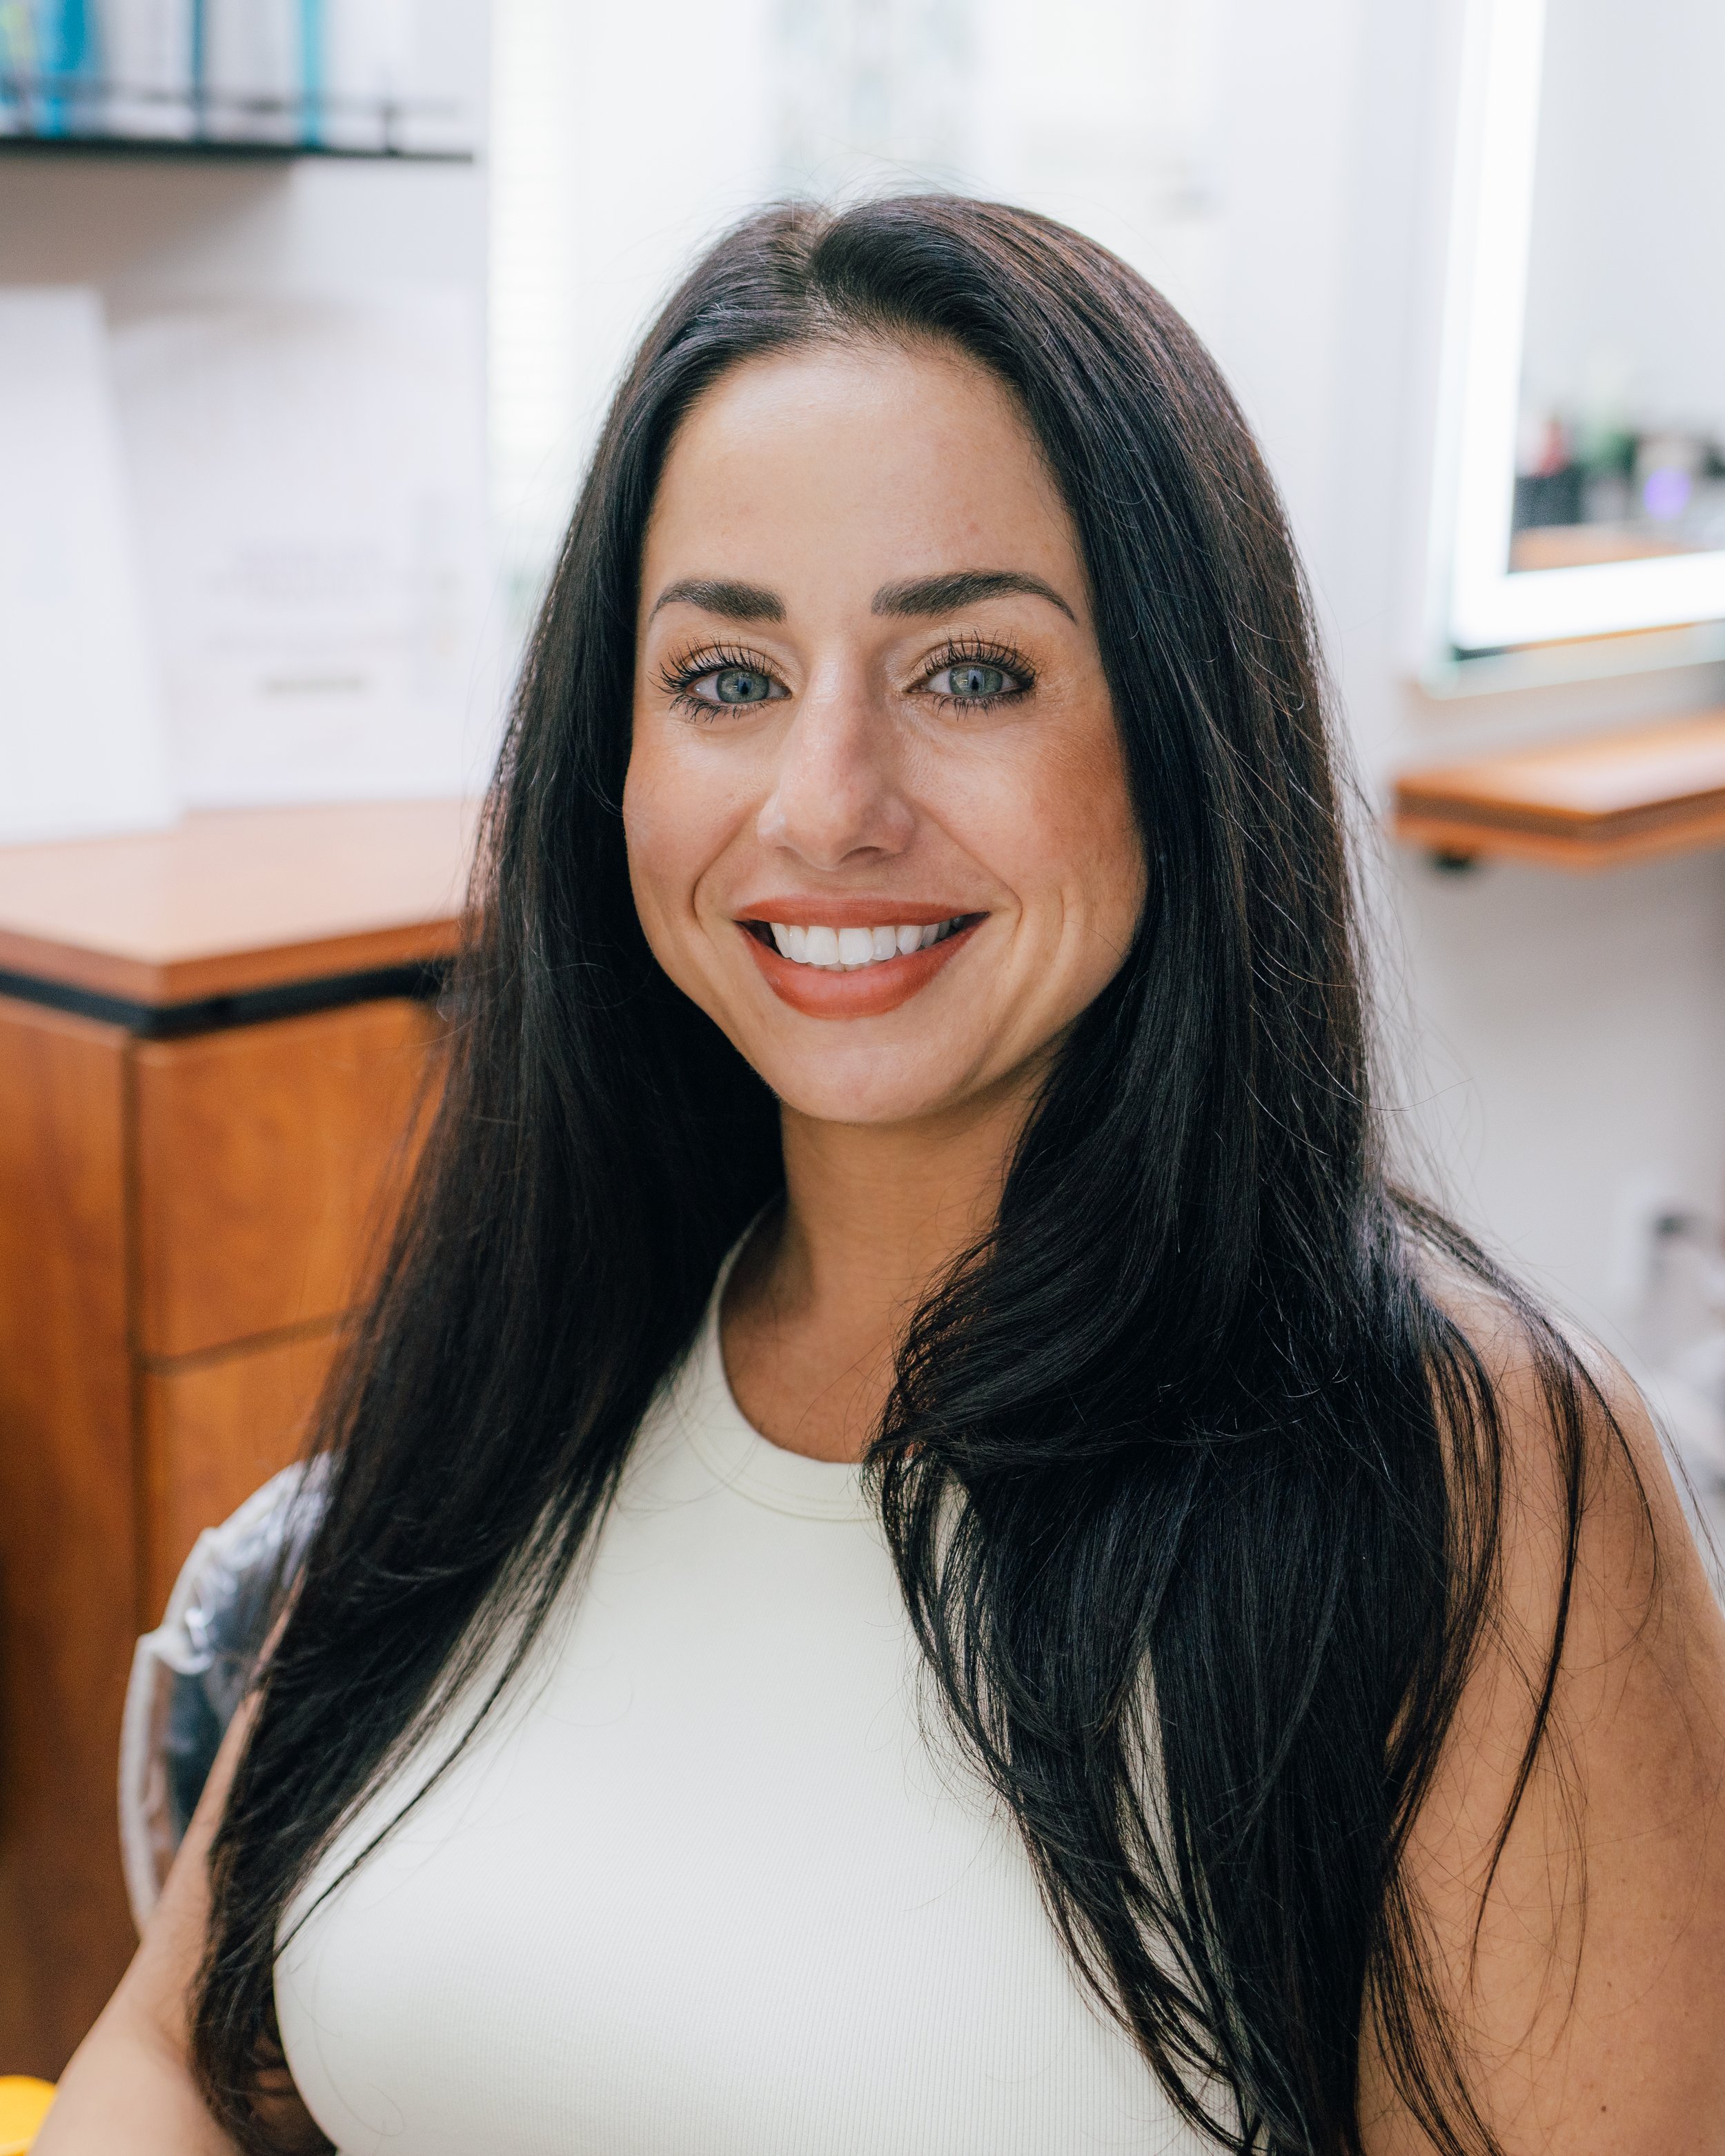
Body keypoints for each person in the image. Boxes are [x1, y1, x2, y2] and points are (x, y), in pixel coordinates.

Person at [38, 197, 1725, 2156]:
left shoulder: (1464, 1474)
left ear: (1184, 731)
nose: (825, 805)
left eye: (972, 673)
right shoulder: (546, 1335)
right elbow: (178, 2059)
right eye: (726, 679)